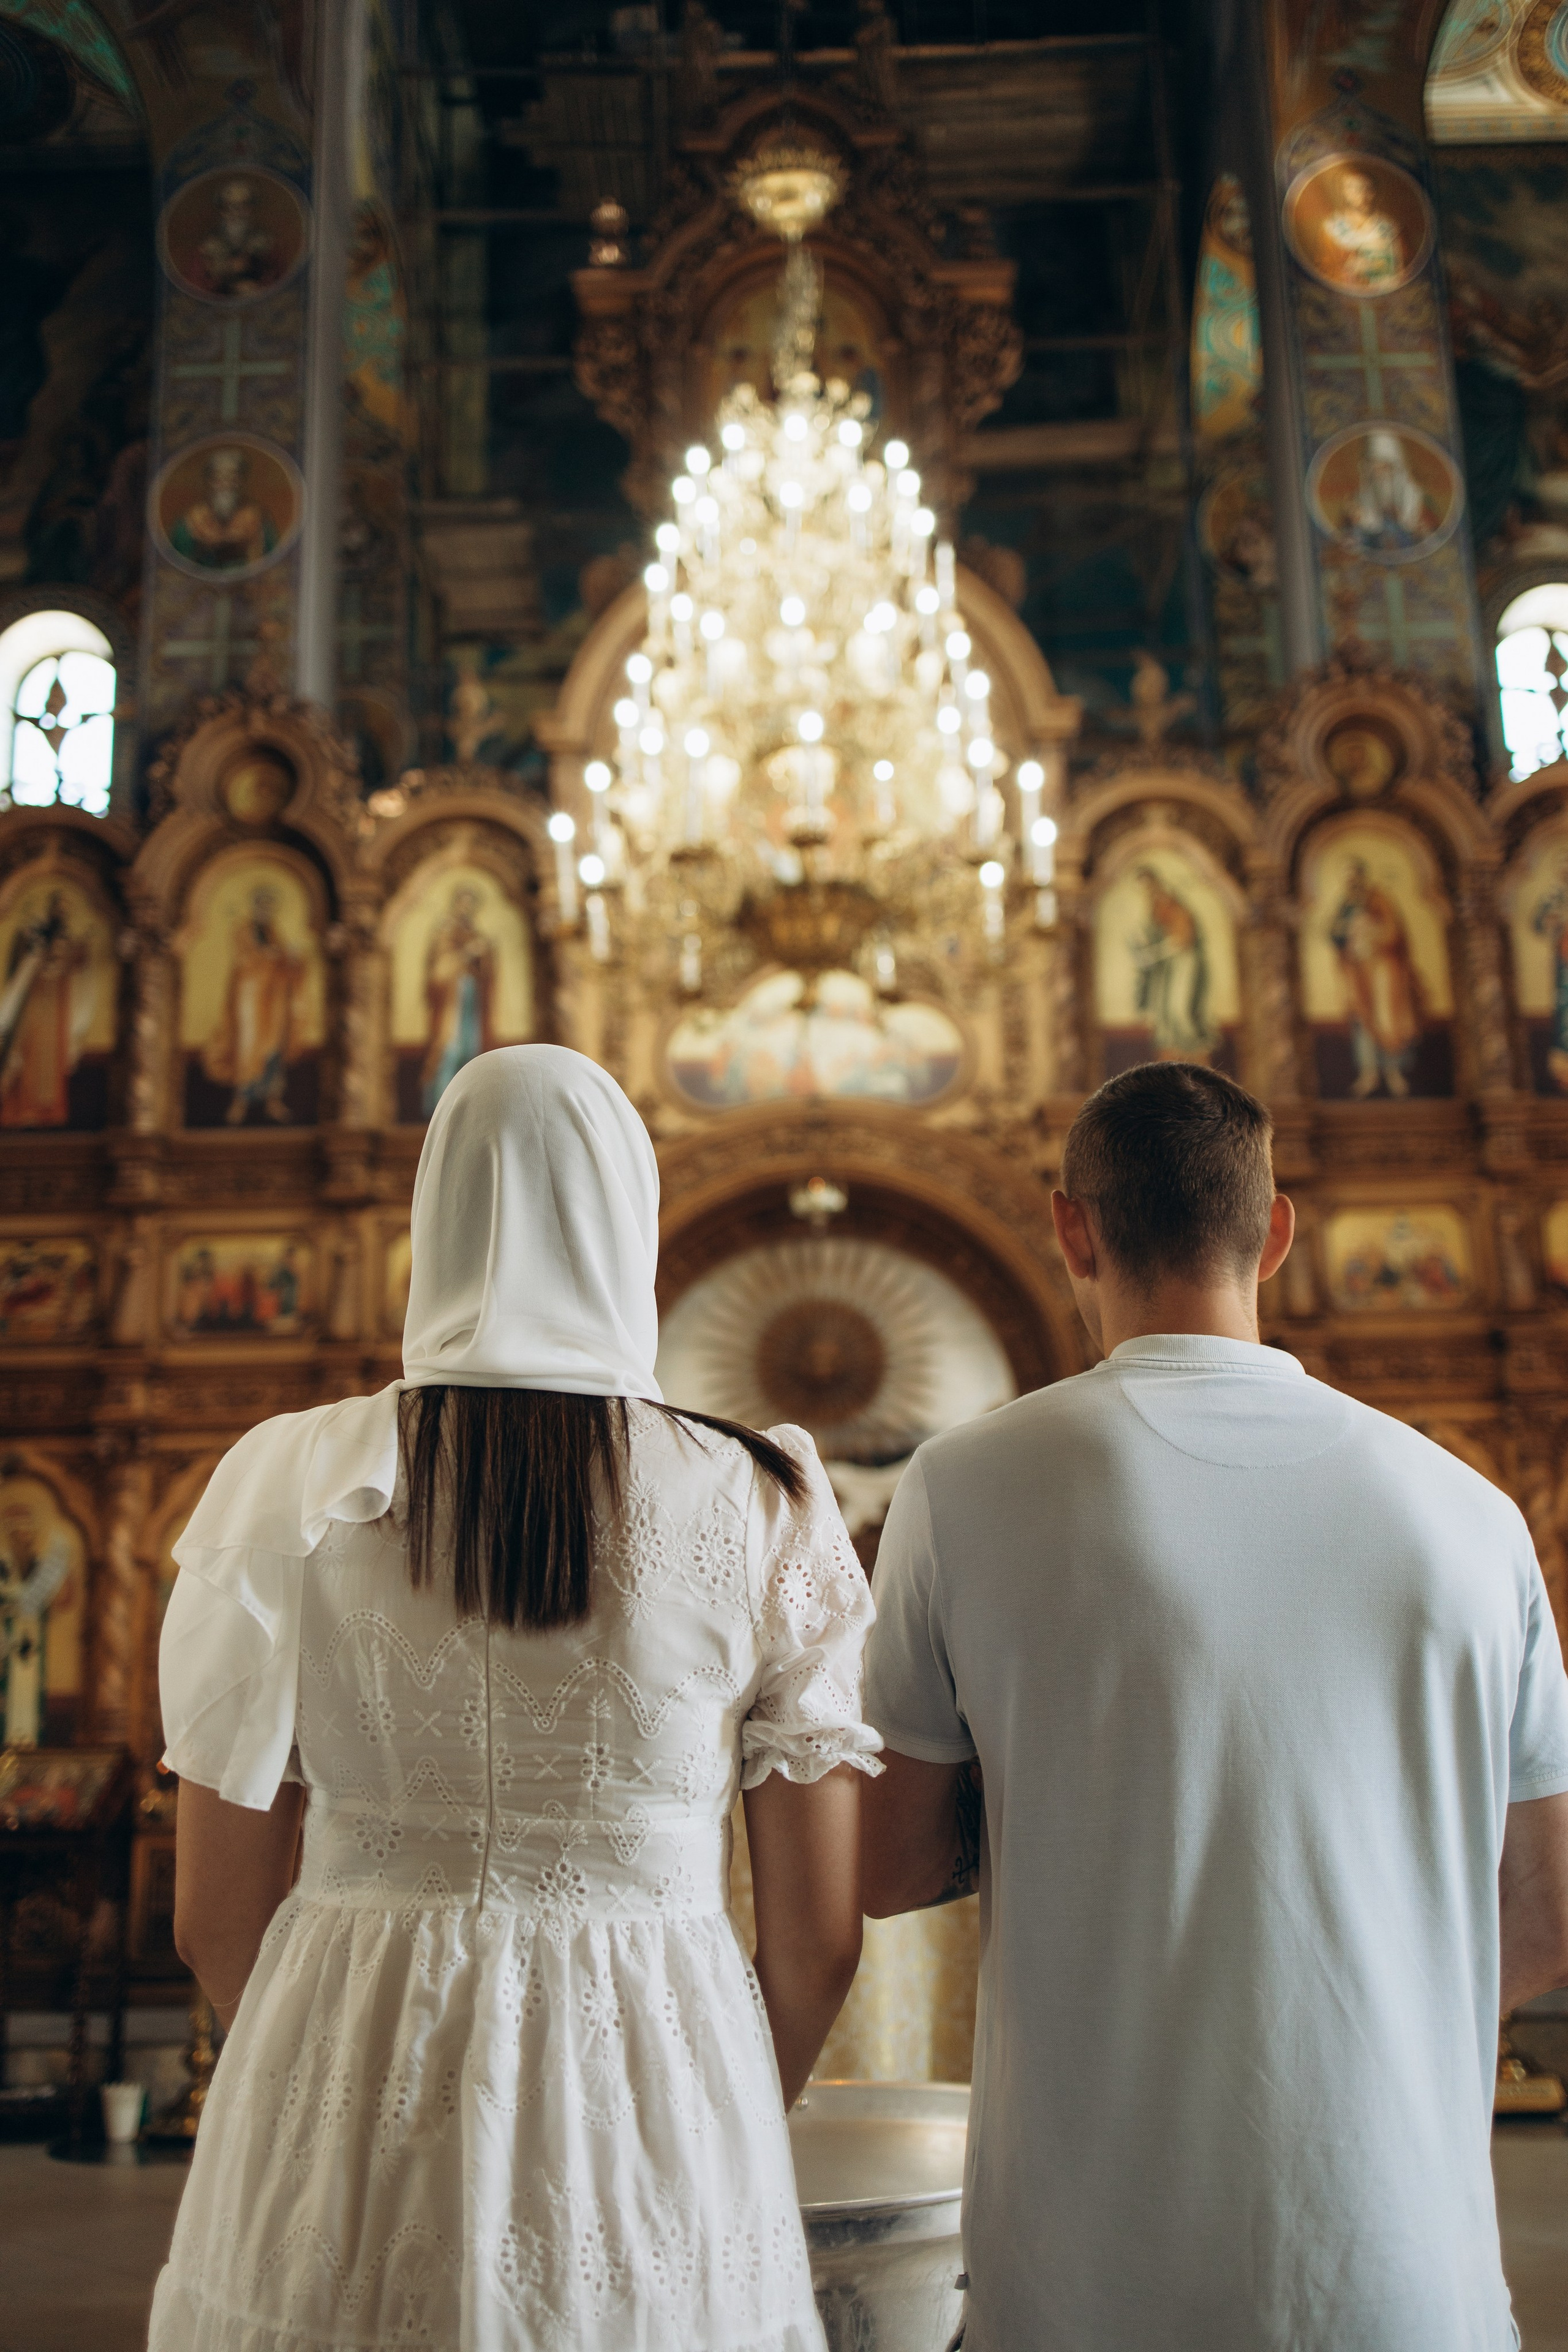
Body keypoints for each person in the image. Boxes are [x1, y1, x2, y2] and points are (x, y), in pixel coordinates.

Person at [151, 1045, 878, 2352]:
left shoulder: (282, 1482)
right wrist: (719, 2119)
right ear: (633, 1223)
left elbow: (213, 1916)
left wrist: (307, 2085)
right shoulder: (763, 1503)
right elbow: (819, 1939)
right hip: (662, 2067)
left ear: (435, 1217)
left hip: (344, 2044)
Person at [860, 1060, 1568, 2352]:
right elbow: (1544, 1914)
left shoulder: (963, 1488)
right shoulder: (1472, 1516)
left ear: (1068, 1225)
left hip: (1085, 2285)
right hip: (1410, 2274)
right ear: (1277, 1230)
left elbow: (890, 1863)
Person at [1328, 854, 1425, 1096]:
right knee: (1363, 1021)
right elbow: (1335, 934)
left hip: (1384, 972)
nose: (1351, 883)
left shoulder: (1380, 900)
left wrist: (1371, 934)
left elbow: (1394, 933)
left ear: (1362, 877)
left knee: (1388, 1022)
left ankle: (1394, 1074)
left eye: (1354, 877)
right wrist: (1347, 933)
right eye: (1348, 879)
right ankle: (1368, 1074)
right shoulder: (1347, 905)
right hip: (1359, 973)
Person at [1317, 165, 1405, 292]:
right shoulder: (1331, 229)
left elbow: (1406, 269)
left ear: (1374, 192)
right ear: (1343, 192)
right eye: (1353, 189)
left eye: (1367, 188)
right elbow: (1324, 270)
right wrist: (1349, 273)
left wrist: (1375, 268)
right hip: (1348, 299)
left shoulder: (1392, 228)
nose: (1361, 195)